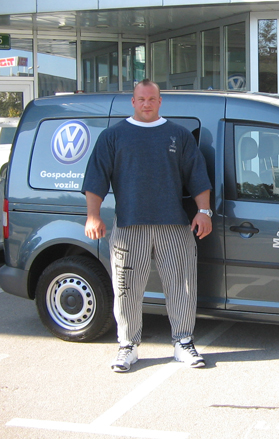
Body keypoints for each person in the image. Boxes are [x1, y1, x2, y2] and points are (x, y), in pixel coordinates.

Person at [82, 79, 213, 372]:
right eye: (141, 99)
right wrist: (93, 215)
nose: (146, 104)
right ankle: (127, 346)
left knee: (182, 286)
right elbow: (96, 178)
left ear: (160, 101)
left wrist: (204, 211)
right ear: (133, 101)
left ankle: (183, 342)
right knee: (126, 288)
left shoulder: (178, 135)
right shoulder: (113, 136)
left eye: (152, 99)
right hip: (129, 227)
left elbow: (197, 176)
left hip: (174, 225)